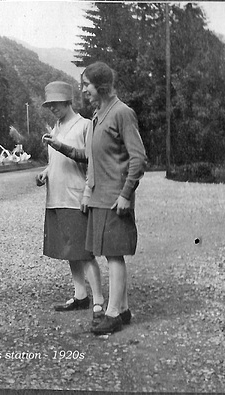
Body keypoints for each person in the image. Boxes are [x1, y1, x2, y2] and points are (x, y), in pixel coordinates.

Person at [80, 62, 147, 335]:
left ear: (102, 86)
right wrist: (88, 191)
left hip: (115, 198)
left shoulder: (122, 113)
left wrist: (126, 194)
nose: (83, 90)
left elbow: (138, 158)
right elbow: (93, 160)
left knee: (114, 255)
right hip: (99, 197)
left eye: (87, 85)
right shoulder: (98, 116)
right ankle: (124, 308)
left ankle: (112, 313)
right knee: (110, 255)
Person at [36, 81, 104, 325]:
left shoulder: (85, 125)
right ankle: (80, 295)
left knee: (84, 252)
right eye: (50, 105)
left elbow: (90, 158)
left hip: (75, 197)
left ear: (68, 102)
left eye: (56, 104)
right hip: (56, 196)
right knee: (69, 250)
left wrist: (88, 192)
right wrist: (46, 171)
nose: (53, 108)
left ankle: (98, 300)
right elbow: (57, 161)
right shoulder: (56, 127)